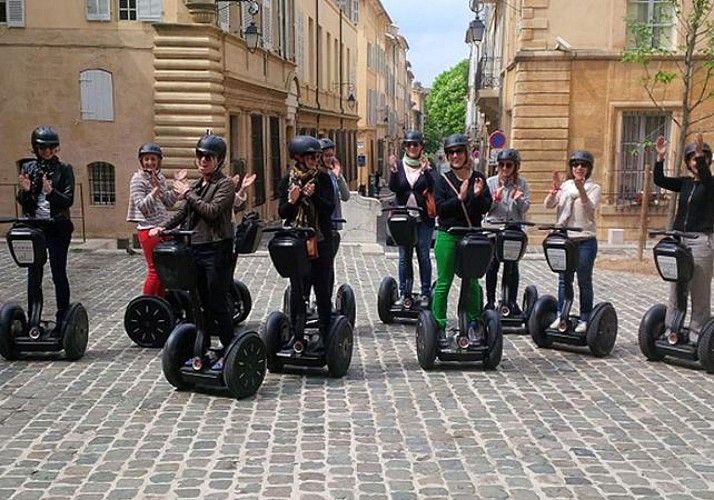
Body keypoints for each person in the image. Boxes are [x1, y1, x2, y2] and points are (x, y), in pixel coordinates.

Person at [149, 134, 235, 369]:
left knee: (217, 302)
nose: (203, 161)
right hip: (195, 249)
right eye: (200, 156)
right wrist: (162, 227)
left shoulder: (225, 184)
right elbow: (183, 213)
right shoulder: (198, 184)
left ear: (219, 160)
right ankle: (202, 346)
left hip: (217, 250)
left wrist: (187, 192)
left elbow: (212, 211)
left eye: (208, 157)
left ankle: (229, 349)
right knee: (197, 302)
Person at [653, 133, 714, 342]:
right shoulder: (685, 184)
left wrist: (700, 156)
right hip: (680, 241)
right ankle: (672, 329)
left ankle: (699, 336)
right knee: (677, 289)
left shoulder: (711, 185)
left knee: (699, 291)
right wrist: (660, 158)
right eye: (693, 159)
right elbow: (660, 180)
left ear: (708, 161)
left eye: (702, 159)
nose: (696, 162)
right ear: (687, 162)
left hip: (701, 242)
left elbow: (706, 179)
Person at [432, 133, 492, 344]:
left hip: (472, 236)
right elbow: (440, 209)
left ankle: (473, 323)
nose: (455, 155)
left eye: (459, 151)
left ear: (466, 153)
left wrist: (476, 195)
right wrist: (459, 198)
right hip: (448, 235)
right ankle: (438, 325)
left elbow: (485, 207)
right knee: (444, 282)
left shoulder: (479, 178)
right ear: (447, 156)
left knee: (473, 281)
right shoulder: (442, 179)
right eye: (451, 153)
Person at [278, 135, 336, 346]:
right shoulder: (287, 181)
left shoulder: (322, 179)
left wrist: (313, 197)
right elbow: (283, 211)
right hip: (296, 243)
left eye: (316, 156)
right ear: (298, 158)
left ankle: (325, 332)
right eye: (311, 156)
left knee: (321, 288)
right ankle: (297, 332)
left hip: (320, 241)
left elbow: (329, 209)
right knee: (298, 289)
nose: (315, 159)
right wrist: (293, 201)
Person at [16, 126, 76, 331]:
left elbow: (68, 200)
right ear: (36, 148)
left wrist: (51, 192)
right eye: (43, 148)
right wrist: (25, 192)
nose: (48, 152)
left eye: (51, 148)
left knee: (58, 272)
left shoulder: (65, 169)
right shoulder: (28, 168)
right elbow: (25, 202)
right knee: (34, 273)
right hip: (35, 227)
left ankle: (63, 318)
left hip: (57, 227)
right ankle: (33, 317)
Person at [544, 150, 602, 333]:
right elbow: (549, 205)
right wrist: (554, 192)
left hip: (585, 240)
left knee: (583, 280)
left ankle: (585, 318)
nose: (579, 168)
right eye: (576, 164)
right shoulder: (566, 186)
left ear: (588, 168)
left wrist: (582, 190)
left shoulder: (594, 188)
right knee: (564, 279)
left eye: (583, 165)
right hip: (565, 239)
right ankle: (562, 313)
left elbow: (589, 209)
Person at [126, 143, 186, 297]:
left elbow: (168, 203)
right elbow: (142, 206)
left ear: (158, 161)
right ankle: (148, 302)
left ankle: (160, 302)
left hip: (162, 227)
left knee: (164, 271)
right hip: (148, 229)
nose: (150, 163)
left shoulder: (160, 177)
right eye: (146, 159)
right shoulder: (137, 179)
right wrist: (154, 191)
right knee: (154, 270)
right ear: (141, 161)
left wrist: (176, 190)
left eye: (153, 159)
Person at [387, 130, 435, 307]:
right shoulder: (399, 165)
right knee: (403, 255)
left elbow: (433, 186)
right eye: (408, 145)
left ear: (421, 146)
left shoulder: (428, 165)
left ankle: (425, 293)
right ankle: (404, 292)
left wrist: (427, 172)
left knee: (423, 254)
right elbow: (394, 188)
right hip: (403, 218)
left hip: (423, 218)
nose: (412, 147)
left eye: (416, 144)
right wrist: (392, 171)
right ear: (405, 147)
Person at [484, 148, 531, 312]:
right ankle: (490, 301)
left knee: (512, 266)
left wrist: (519, 200)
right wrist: (494, 201)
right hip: (494, 229)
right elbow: (485, 209)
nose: (505, 169)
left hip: (513, 229)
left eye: (508, 165)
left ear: (515, 167)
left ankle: (511, 301)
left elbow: (525, 209)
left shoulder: (522, 184)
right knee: (492, 265)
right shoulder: (490, 183)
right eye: (502, 165)